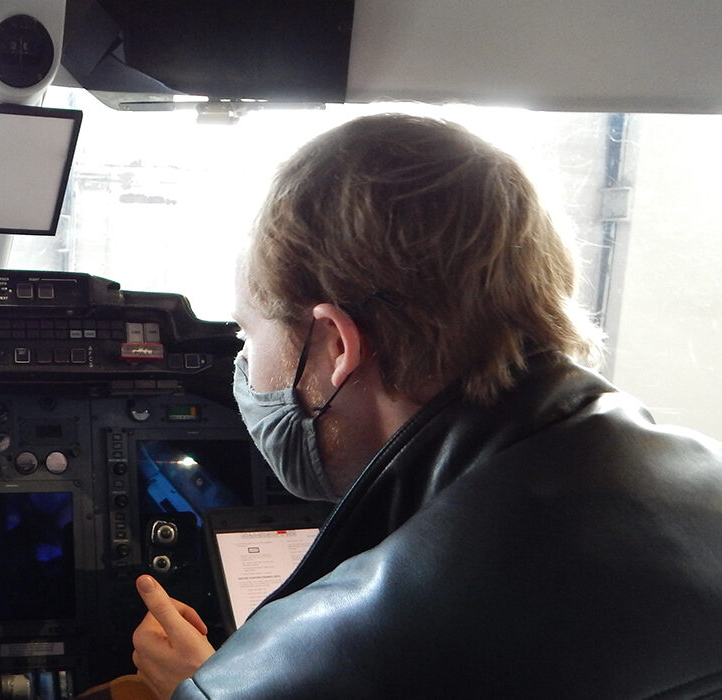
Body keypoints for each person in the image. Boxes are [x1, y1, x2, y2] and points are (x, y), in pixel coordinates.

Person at [130, 114, 722, 698]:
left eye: (247, 337)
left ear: (337, 345)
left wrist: (199, 689)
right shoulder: (703, 478)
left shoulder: (334, 663)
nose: (244, 365)